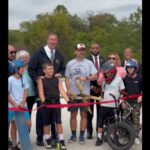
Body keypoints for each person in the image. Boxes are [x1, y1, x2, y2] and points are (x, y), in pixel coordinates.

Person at [28, 32, 66, 146]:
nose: (53, 41)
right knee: (42, 115)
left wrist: (60, 73)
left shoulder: (59, 54)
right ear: (47, 40)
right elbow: (31, 69)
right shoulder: (38, 53)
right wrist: (37, 78)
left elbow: (63, 68)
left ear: (57, 41)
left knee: (55, 116)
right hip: (42, 89)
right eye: (51, 39)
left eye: (55, 40)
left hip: (54, 89)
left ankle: (54, 137)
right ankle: (40, 137)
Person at [65, 43, 98, 144]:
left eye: (83, 50)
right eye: (79, 50)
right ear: (75, 51)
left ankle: (82, 136)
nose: (81, 52)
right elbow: (67, 77)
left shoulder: (89, 63)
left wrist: (88, 78)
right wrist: (68, 89)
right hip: (73, 95)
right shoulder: (70, 63)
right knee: (73, 115)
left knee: (84, 115)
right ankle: (73, 135)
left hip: (85, 95)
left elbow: (96, 76)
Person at [37, 62, 69, 149]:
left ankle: (61, 140)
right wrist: (43, 101)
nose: (52, 70)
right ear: (44, 70)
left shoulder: (57, 79)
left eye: (52, 69)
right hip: (46, 104)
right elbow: (41, 92)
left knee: (58, 122)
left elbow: (62, 90)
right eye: (49, 69)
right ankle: (47, 140)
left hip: (56, 102)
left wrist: (68, 100)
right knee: (46, 123)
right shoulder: (41, 80)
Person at [96, 60, 125, 146]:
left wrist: (122, 102)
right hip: (104, 105)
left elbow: (122, 92)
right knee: (100, 122)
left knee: (113, 122)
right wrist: (101, 98)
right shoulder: (104, 81)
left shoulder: (119, 79)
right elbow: (103, 92)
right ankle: (99, 137)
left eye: (108, 72)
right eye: (105, 73)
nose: (107, 74)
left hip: (114, 105)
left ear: (113, 71)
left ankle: (112, 137)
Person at [8, 60, 30, 150]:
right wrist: (14, 103)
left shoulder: (23, 78)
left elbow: (25, 91)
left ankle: (24, 141)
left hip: (23, 106)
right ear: (16, 69)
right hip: (12, 107)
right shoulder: (10, 80)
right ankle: (14, 145)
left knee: (28, 124)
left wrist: (23, 102)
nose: (24, 69)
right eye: (22, 68)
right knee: (14, 126)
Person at [86, 43, 106, 139]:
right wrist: (91, 87)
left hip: (101, 90)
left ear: (99, 49)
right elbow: (85, 75)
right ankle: (89, 131)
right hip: (89, 89)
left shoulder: (104, 60)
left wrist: (101, 88)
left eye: (96, 48)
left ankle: (99, 131)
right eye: (93, 47)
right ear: (90, 49)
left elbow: (106, 75)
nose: (95, 49)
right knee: (89, 112)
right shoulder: (86, 61)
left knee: (100, 112)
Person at [121, 60, 142, 145]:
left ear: (135, 68)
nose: (130, 69)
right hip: (127, 102)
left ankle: (136, 136)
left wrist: (141, 96)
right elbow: (122, 91)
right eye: (128, 68)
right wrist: (122, 101)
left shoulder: (140, 78)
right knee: (124, 118)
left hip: (136, 102)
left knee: (135, 119)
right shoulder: (125, 78)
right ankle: (123, 135)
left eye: (131, 68)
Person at [16, 50, 36, 121]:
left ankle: (27, 131)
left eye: (26, 57)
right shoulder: (15, 69)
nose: (24, 59)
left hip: (31, 95)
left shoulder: (32, 68)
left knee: (28, 116)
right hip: (19, 96)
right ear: (18, 58)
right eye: (22, 57)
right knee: (20, 116)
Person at [8, 44, 19, 149]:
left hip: (13, 98)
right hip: (9, 98)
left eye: (14, 52)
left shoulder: (14, 64)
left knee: (13, 122)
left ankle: (13, 143)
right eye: (11, 52)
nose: (13, 54)